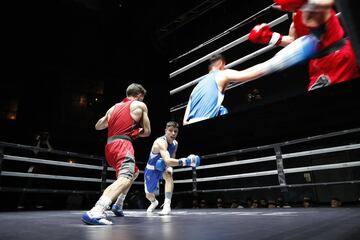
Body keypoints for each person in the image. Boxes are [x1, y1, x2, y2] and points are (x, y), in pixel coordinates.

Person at [183, 32, 320, 125]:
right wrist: (282, 61)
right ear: (221, 65)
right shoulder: (221, 74)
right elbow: (253, 72)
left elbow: (185, 122)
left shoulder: (195, 89)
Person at [249, 0, 360, 91]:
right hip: (317, 64)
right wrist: (271, 37)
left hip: (337, 57)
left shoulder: (316, 5)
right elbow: (295, 41)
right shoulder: (296, 16)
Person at [81, 83, 151, 225]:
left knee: (134, 172)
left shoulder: (113, 108)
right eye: (141, 98)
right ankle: (96, 210)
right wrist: (135, 132)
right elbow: (147, 131)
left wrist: (111, 119)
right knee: (125, 179)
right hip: (123, 145)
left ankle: (118, 204)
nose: (141, 101)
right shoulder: (140, 105)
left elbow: (98, 126)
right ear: (139, 96)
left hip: (109, 147)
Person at [144, 121, 200, 215]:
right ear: (166, 131)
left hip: (164, 166)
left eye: (175, 131)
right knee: (149, 194)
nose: (173, 133)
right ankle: (154, 202)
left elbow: (171, 160)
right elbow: (167, 160)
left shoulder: (175, 144)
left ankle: (167, 206)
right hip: (152, 169)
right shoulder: (160, 142)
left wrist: (168, 166)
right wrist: (186, 161)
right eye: (170, 130)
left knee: (169, 176)